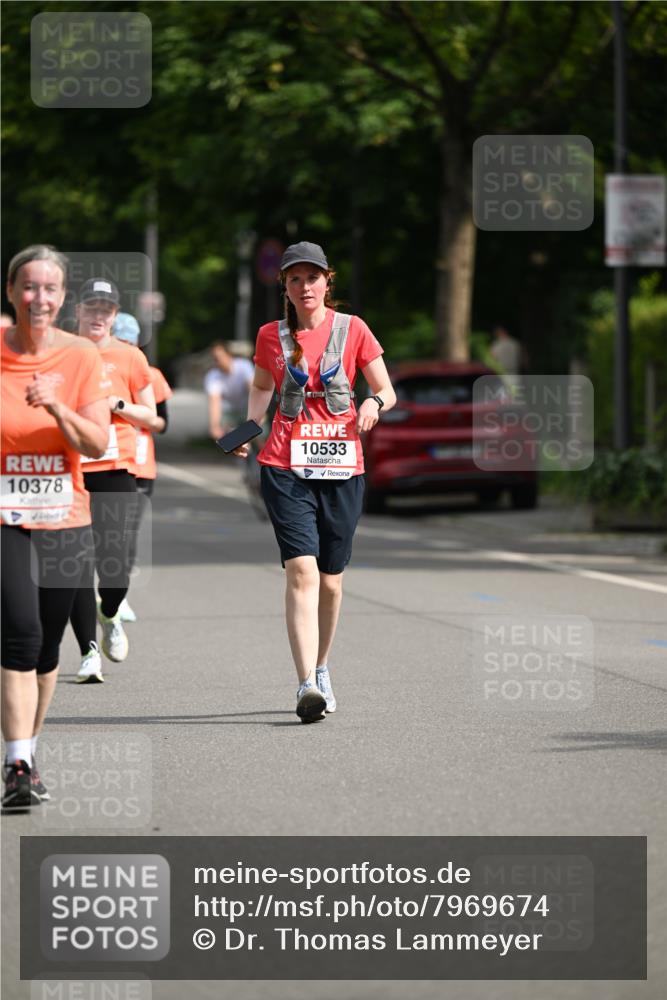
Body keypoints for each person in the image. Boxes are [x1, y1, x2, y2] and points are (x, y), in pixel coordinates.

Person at [234, 241, 396, 723]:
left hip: (343, 467)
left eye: (312, 277)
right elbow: (263, 386)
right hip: (285, 465)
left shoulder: (354, 330)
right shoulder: (270, 336)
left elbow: (385, 387)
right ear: (284, 286)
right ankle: (305, 682)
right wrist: (248, 428)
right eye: (294, 279)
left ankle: (323, 666)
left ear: (328, 281)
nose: (305, 287)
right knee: (300, 571)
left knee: (331, 580)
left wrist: (373, 404)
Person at [1, 245, 110, 808]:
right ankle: (17, 762)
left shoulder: (80, 358)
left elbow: (95, 442)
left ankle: (28, 753)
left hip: (66, 515)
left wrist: (58, 409)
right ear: (11, 291)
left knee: (46, 647)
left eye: (49, 289)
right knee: (18, 632)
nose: (38, 298)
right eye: (28, 287)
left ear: (62, 298)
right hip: (5, 519)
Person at [69, 281, 158, 683]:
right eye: (92, 306)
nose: (99, 314)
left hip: (117, 468)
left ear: (114, 313)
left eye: (106, 308)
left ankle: (110, 611)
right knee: (75, 565)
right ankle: (88, 651)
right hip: (70, 470)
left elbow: (155, 418)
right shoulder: (61, 353)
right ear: (79, 311)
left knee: (115, 563)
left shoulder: (130, 357)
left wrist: (117, 406)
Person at [112, 311, 173, 622]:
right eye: (119, 342)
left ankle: (117, 597)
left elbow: (163, 423)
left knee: (128, 533)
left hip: (140, 464)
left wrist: (137, 415)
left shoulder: (151, 375)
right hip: (104, 461)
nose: (125, 349)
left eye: (130, 344)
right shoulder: (98, 369)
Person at [205, 342, 254, 440]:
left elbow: (252, 390)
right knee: (230, 438)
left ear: (229, 355)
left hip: (247, 407)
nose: (218, 361)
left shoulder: (244, 366)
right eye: (215, 359)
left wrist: (257, 414)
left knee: (261, 435)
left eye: (220, 357)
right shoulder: (212, 376)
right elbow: (215, 402)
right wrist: (214, 426)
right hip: (229, 411)